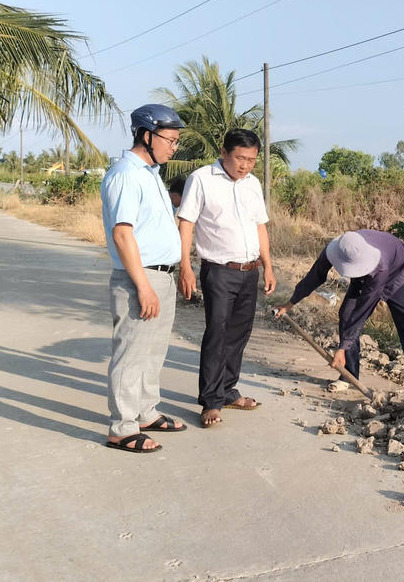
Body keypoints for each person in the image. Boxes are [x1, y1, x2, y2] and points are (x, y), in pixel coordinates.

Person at [99, 103, 189, 453]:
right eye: (171, 139)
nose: (174, 147)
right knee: (131, 353)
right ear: (147, 135)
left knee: (153, 352)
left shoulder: (151, 173)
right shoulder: (126, 174)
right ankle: (122, 427)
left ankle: (146, 412)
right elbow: (123, 234)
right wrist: (142, 286)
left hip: (161, 276)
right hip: (141, 278)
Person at [177, 129, 276, 428]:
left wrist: (268, 266)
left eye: (251, 160)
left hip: (250, 271)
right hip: (219, 270)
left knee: (238, 335)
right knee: (217, 335)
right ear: (224, 153)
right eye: (239, 158)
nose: (244, 165)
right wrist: (185, 266)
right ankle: (210, 401)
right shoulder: (202, 179)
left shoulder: (252, 183)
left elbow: (259, 226)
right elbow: (186, 223)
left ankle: (228, 390)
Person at [274, 230, 404, 397]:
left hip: (398, 270)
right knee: (347, 314)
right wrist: (290, 303)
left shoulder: (380, 265)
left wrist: (342, 347)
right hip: (366, 274)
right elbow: (315, 276)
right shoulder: (336, 249)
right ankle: (349, 374)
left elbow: (362, 312)